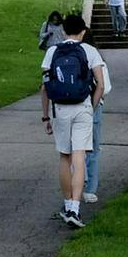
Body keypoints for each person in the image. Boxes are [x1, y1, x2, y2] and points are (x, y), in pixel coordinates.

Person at [40, 14, 105, 228]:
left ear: (63, 30)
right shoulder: (90, 51)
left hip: (60, 109)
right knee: (79, 157)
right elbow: (101, 85)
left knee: (64, 157)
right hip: (82, 107)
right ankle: (76, 209)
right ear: (83, 31)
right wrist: (91, 107)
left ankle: (67, 204)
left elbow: (45, 87)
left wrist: (46, 116)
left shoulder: (52, 51)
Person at [80, 25, 114, 203]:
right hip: (92, 106)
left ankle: (75, 184)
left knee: (74, 150)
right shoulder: (95, 55)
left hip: (70, 107)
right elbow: (105, 87)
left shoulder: (64, 53)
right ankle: (90, 188)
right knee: (92, 149)